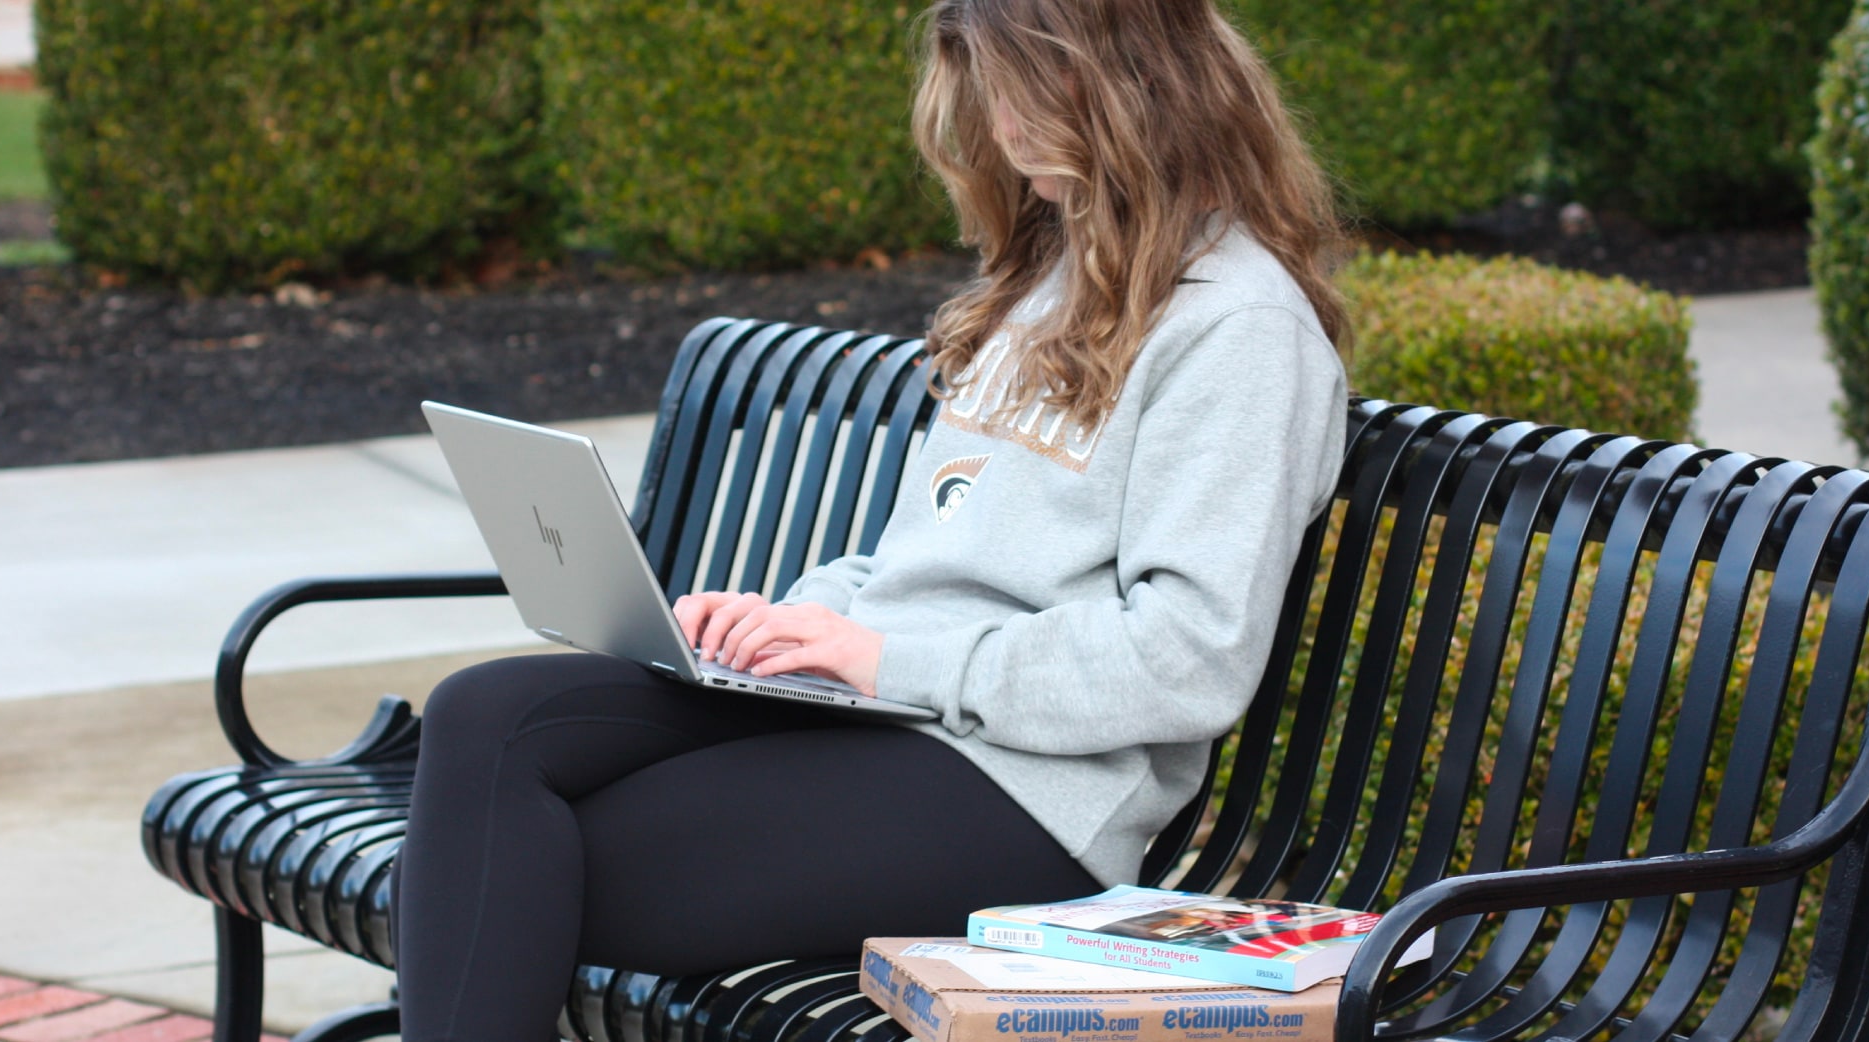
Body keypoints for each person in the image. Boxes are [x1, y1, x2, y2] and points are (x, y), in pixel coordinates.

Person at [391, 2, 1352, 1039]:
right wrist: (789, 624)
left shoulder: (1239, 330)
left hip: (1024, 790)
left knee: (511, 865)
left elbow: (1185, 657)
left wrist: (882, 658)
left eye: (1018, 83)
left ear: (1125, 86)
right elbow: (926, 554)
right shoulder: (1054, 279)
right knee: (484, 716)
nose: (994, 120)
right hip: (884, 710)